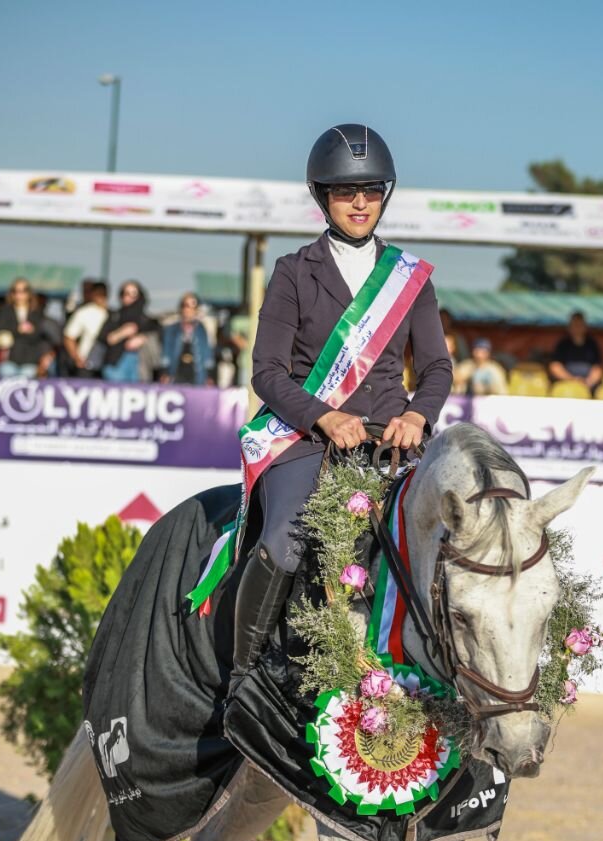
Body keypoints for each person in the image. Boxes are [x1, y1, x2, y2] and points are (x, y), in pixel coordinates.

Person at [230, 122, 453, 689]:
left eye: (371, 190)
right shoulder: (292, 272)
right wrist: (323, 416)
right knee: (284, 543)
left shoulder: (410, 279)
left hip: (392, 442)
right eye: (345, 191)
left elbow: (436, 369)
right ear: (321, 197)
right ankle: (245, 676)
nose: (359, 202)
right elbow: (268, 373)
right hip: (306, 442)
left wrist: (416, 416)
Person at [0, 278, 55, 378]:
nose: (19, 295)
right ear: (11, 293)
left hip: (30, 361)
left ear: (29, 293)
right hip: (9, 360)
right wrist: (18, 329)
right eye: (15, 291)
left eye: (23, 291)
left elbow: (41, 337)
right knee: (6, 374)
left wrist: (32, 331)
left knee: (26, 377)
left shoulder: (36, 313)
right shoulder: (5, 311)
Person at [97, 281, 160, 382]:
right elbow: (104, 338)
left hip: (140, 366)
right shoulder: (114, 317)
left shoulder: (148, 321)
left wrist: (142, 339)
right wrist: (122, 333)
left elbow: (158, 342)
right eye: (124, 293)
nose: (128, 297)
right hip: (116, 365)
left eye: (133, 294)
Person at [160, 293, 215, 385]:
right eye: (185, 305)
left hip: (197, 374)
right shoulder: (172, 329)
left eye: (193, 306)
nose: (188, 309)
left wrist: (209, 376)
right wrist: (165, 373)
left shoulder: (202, 329)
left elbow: (207, 355)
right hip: (176, 373)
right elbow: (166, 354)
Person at [549, 311, 603, 392]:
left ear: (585, 327)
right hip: (566, 386)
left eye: (580, 325)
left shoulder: (592, 344)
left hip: (588, 387)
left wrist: (589, 382)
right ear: (569, 327)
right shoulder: (563, 344)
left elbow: (597, 368)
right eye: (575, 325)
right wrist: (572, 380)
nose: (577, 328)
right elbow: (555, 366)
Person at [63, 281, 109, 376]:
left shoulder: (111, 314)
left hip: (105, 366)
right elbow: (68, 337)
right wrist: (77, 359)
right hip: (86, 365)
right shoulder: (84, 313)